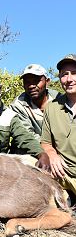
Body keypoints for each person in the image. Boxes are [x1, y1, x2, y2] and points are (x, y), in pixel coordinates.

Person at [41, 54, 76, 203]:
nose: (69, 79)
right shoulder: (52, 108)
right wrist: (52, 154)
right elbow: (45, 142)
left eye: (74, 73)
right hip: (63, 174)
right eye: (64, 75)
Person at [10, 64, 60, 140]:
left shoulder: (59, 99)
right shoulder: (18, 105)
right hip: (33, 149)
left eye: (36, 81)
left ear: (47, 82)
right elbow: (27, 136)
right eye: (27, 82)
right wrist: (48, 148)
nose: (31, 86)